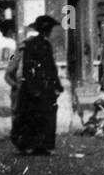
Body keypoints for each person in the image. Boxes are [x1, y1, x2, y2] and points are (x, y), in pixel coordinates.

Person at [10, 14, 64, 155]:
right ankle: (30, 145)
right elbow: (28, 68)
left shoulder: (46, 45)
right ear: (46, 30)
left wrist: (57, 86)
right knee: (32, 116)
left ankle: (43, 145)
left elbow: (51, 68)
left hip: (45, 87)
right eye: (50, 30)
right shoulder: (31, 45)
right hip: (34, 87)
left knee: (46, 116)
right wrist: (34, 89)